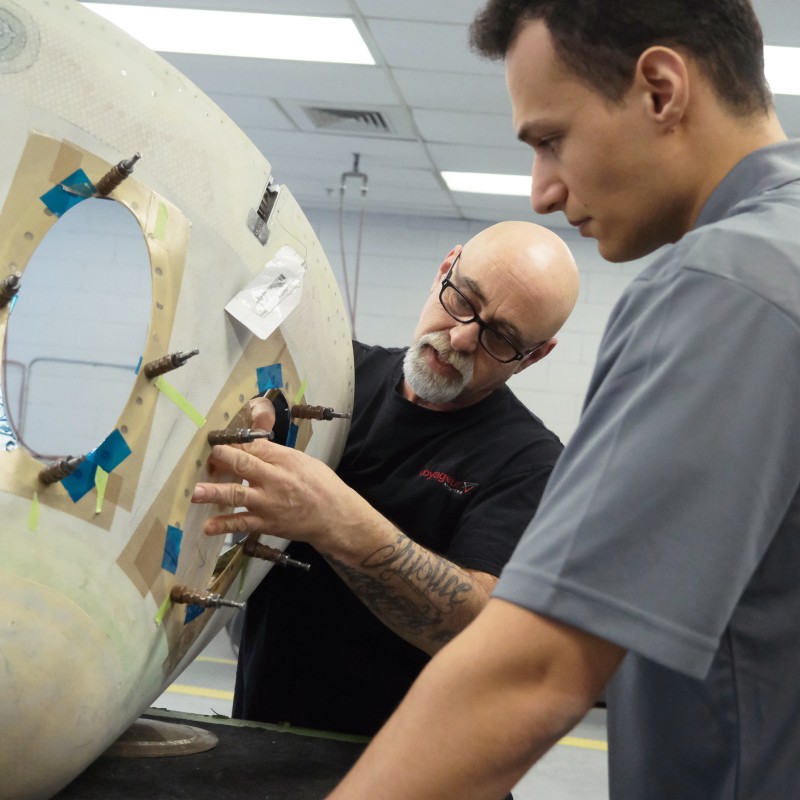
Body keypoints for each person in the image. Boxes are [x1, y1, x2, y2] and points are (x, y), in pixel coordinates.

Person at [322, 1, 800, 798]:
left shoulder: (729, 283)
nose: (542, 190)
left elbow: (535, 668)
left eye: (550, 140)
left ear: (660, 89)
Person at [191, 220, 580, 736]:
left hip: (408, 770)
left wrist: (332, 518)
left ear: (535, 356)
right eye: (463, 299)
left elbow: (484, 629)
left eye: (502, 338)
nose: (462, 336)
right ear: (446, 269)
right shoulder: (336, 374)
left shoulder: (532, 463)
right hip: (265, 737)